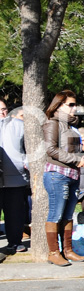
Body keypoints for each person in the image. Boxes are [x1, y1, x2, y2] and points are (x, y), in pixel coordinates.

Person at [42, 90, 84, 266]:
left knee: (68, 215)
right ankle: (53, 252)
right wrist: (76, 159)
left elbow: (72, 151)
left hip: (72, 175)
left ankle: (68, 250)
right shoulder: (52, 123)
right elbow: (50, 149)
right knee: (55, 214)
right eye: (70, 105)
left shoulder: (71, 126)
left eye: (75, 104)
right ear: (58, 105)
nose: (75, 108)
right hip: (57, 174)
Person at [1, 102, 29, 254]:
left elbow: (29, 148)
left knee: (15, 214)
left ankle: (15, 242)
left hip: (16, 178)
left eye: (4, 109)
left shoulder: (19, 125)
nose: (2, 113)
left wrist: (25, 162)